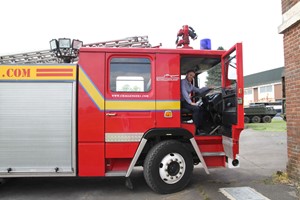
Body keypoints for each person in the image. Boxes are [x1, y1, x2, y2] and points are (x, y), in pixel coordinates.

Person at [181, 70, 212, 135]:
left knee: (201, 108)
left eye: (193, 76)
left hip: (186, 101)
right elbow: (184, 93)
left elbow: (199, 90)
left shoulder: (190, 85)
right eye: (190, 75)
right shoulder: (183, 82)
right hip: (182, 102)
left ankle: (201, 127)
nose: (191, 77)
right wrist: (190, 102)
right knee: (196, 109)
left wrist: (208, 87)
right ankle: (196, 127)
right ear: (187, 74)